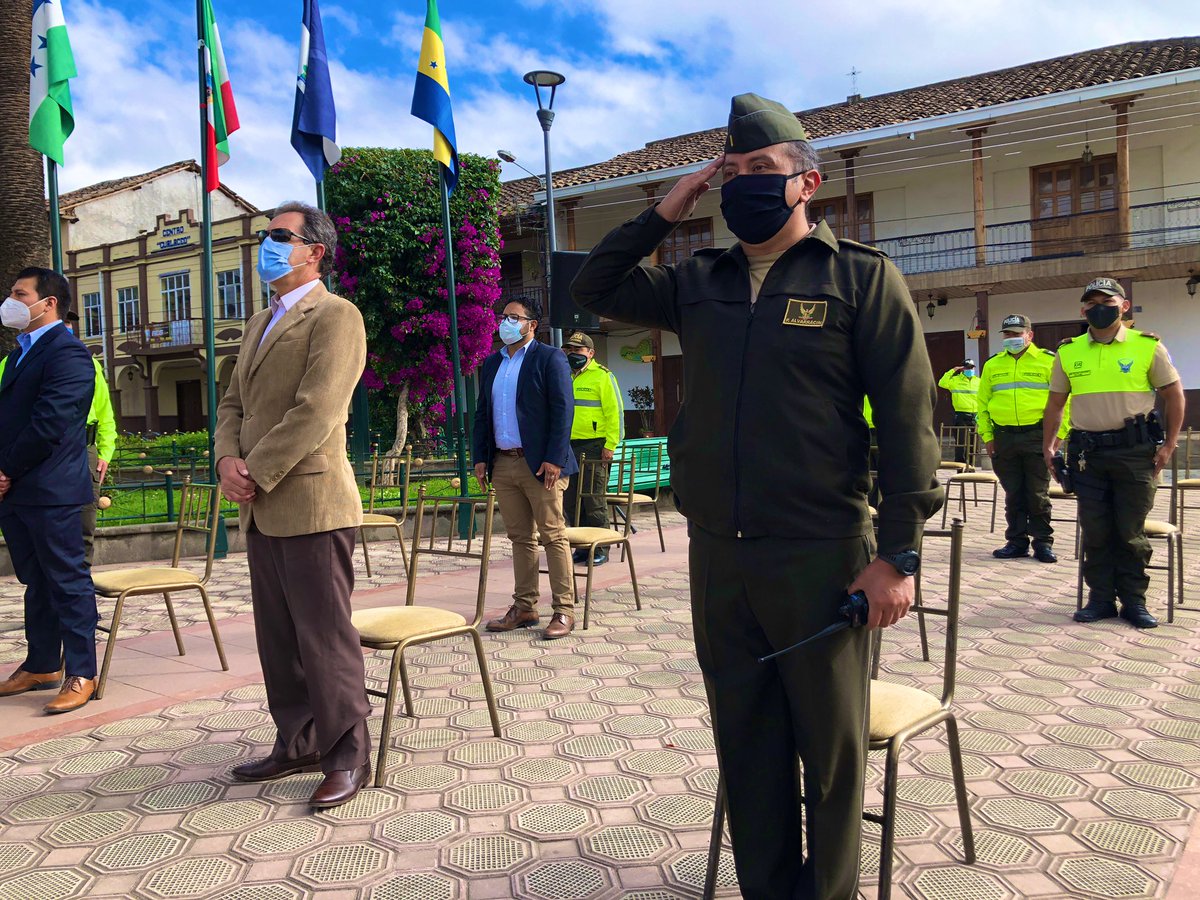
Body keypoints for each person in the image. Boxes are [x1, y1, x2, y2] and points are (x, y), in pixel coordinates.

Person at [571, 92, 942, 900]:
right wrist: (668, 209)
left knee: (831, 755)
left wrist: (898, 556)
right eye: (731, 172)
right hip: (719, 558)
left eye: (761, 171)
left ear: (806, 183)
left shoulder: (860, 278)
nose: (743, 184)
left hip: (822, 556)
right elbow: (596, 285)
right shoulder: (697, 280)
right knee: (747, 745)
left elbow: (911, 423)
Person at [214, 201, 372, 809]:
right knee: (277, 636)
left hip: (308, 497)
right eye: (265, 235)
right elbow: (232, 405)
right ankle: (299, 739)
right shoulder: (259, 322)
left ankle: (346, 753)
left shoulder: (335, 316)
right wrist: (227, 461)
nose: (267, 244)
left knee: (323, 635)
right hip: (259, 503)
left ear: (315, 251)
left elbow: (319, 408)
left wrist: (256, 468)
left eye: (280, 236)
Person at [1043, 277, 1185, 629]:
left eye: (1106, 302)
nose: (1098, 308)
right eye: (1091, 303)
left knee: (1130, 530)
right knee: (1096, 529)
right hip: (1088, 455)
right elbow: (1056, 405)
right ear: (1083, 310)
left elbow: (1174, 395)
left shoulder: (1147, 346)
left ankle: (1134, 601)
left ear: (1123, 306)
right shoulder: (1068, 351)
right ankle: (1101, 599)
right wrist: (1049, 445)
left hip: (1136, 453)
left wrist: (1169, 444)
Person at [0, 267, 98, 714]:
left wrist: (6, 468)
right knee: (35, 581)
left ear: (49, 303)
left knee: (67, 581)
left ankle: (82, 671)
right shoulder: (21, 352)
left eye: (20, 294)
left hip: (52, 490)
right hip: (19, 490)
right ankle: (42, 664)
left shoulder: (69, 354)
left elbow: (50, 424)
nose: (12, 301)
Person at [473, 296, 579, 640]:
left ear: (532, 324)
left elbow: (563, 411)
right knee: (520, 537)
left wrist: (555, 458)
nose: (505, 323)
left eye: (514, 317)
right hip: (504, 462)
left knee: (553, 535)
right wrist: (480, 456)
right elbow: (482, 412)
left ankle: (564, 610)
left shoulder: (550, 358)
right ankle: (525, 607)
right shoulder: (492, 363)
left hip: (541, 465)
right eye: (503, 316)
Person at [0, 336, 114, 567]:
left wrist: (105, 450)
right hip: (31, 450)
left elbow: (104, 410)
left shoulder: (84, 362)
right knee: (35, 530)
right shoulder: (10, 363)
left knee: (82, 527)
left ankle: (78, 582)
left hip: (82, 447)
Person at [975, 314, 1068, 563]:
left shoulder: (1049, 361)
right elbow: (982, 404)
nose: (1012, 338)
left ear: (1029, 334)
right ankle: (1016, 541)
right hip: (1004, 437)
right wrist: (987, 435)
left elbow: (1064, 402)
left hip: (1037, 435)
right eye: (1007, 334)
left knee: (1037, 494)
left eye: (1017, 333)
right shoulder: (992, 365)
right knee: (1013, 493)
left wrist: (1059, 435)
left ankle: (1042, 543)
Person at [561, 330, 624, 565]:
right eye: (570, 349)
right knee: (571, 501)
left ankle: (601, 549)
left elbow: (615, 413)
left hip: (595, 447)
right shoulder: (566, 375)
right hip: (569, 447)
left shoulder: (603, 376)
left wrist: (610, 445)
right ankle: (582, 546)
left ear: (591, 353)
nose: (573, 353)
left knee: (593, 499)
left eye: (578, 350)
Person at [938, 358, 979, 463]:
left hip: (975, 415)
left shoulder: (978, 381)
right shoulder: (955, 381)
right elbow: (942, 383)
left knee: (973, 444)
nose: (969, 370)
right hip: (961, 415)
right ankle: (960, 468)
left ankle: (971, 467)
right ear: (962, 369)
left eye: (971, 368)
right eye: (967, 368)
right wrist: (953, 370)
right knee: (961, 444)